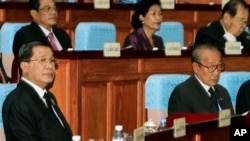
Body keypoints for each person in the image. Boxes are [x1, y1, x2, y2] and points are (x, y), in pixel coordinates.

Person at [2, 41, 72, 141]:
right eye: (42, 60)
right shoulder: (18, 103)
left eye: (52, 61)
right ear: (25, 66)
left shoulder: (48, 96)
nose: (50, 66)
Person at [11, 0, 72, 82]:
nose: (53, 12)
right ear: (34, 13)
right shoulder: (25, 34)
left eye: (55, 8)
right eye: (47, 8)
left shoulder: (63, 36)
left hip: (66, 79)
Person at [168, 44, 234, 115]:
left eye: (219, 66)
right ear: (196, 67)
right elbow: (180, 125)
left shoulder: (222, 91)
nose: (216, 73)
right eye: (211, 67)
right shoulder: (182, 93)